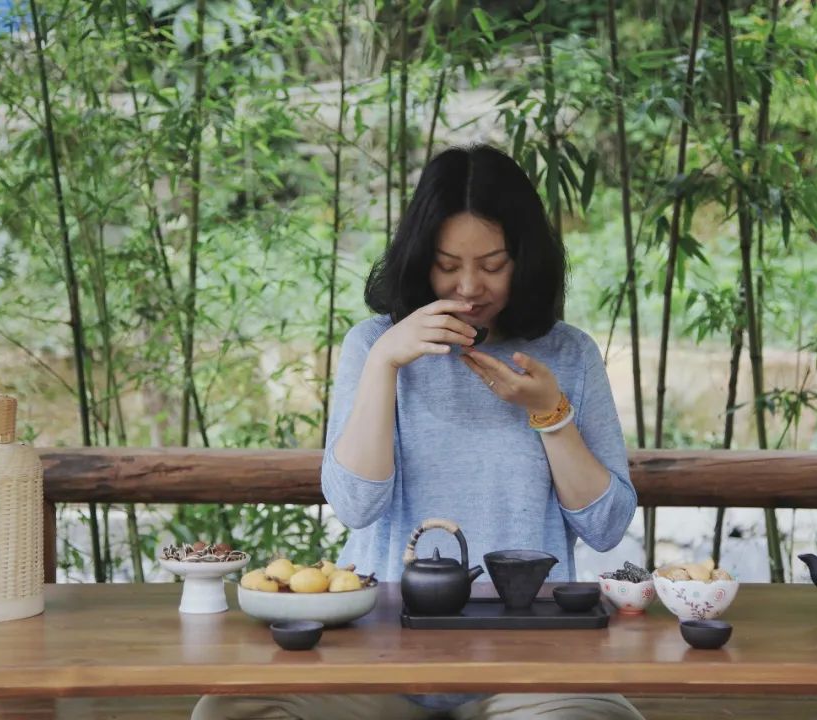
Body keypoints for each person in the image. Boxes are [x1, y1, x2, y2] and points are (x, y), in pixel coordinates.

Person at [191, 144, 643, 720]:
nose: (469, 287)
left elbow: (605, 529)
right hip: (378, 656)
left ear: (526, 259)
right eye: (448, 265)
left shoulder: (568, 354)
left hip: (524, 662)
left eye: (494, 265)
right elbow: (355, 506)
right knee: (229, 710)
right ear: (418, 257)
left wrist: (550, 412)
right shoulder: (373, 344)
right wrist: (384, 364)